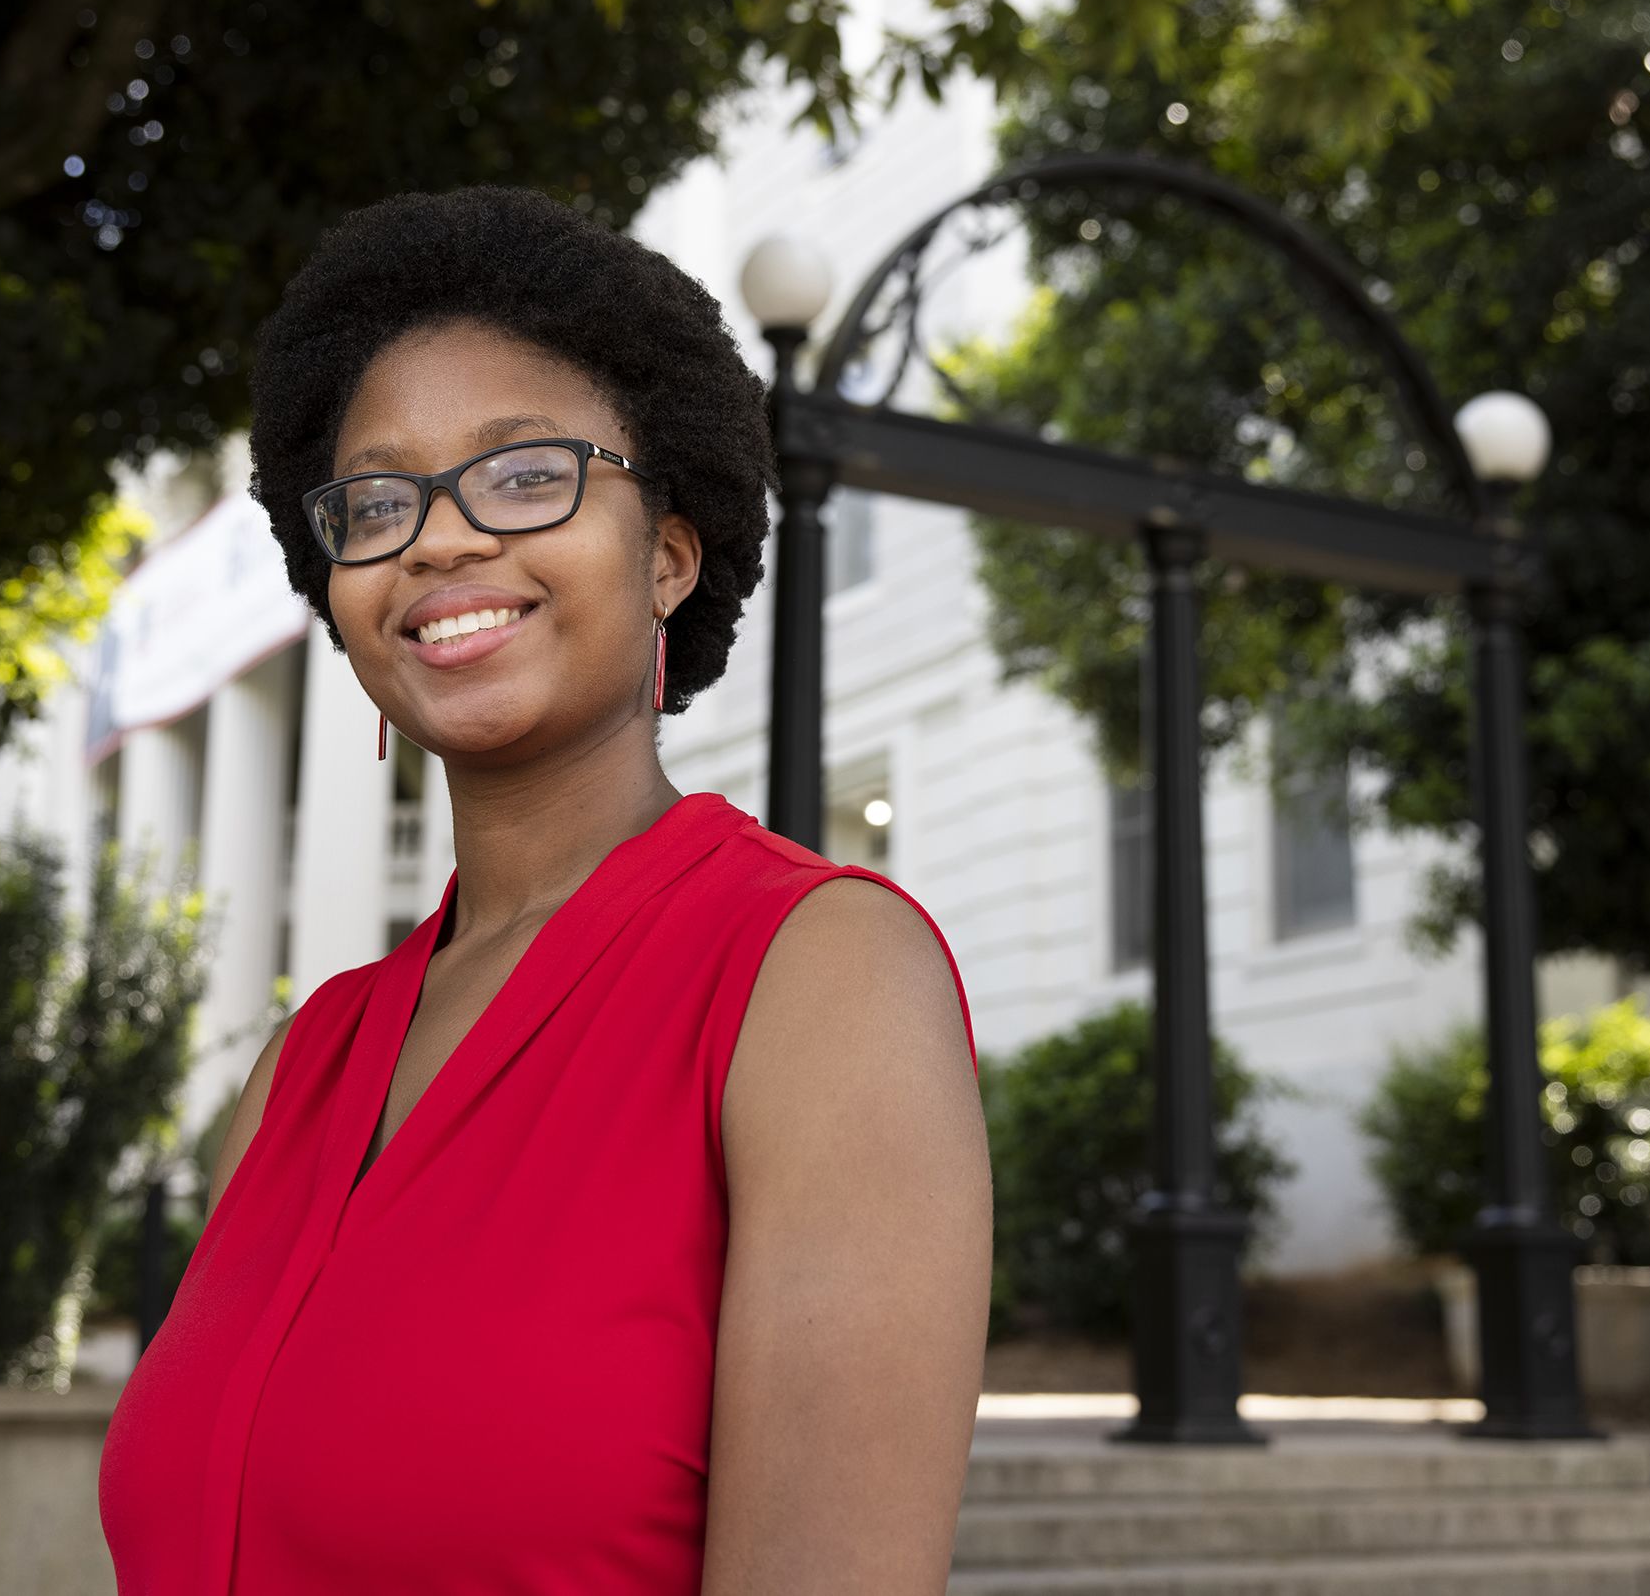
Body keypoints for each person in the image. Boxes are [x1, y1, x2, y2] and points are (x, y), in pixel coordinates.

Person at [98, 186, 992, 1594]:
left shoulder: (812, 978)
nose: (440, 539)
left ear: (670, 559)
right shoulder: (297, 1071)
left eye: (526, 476)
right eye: (377, 500)